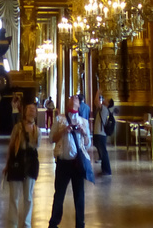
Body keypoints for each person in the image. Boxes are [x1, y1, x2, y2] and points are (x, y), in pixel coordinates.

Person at [48, 94, 91, 228]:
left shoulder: (83, 122)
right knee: (59, 194)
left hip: (77, 163)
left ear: (80, 104)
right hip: (63, 163)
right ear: (67, 103)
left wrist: (84, 132)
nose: (74, 100)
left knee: (79, 196)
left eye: (76, 99)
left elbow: (88, 144)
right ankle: (54, 223)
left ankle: (80, 224)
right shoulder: (59, 119)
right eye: (71, 98)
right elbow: (51, 138)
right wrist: (63, 131)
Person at [4, 103, 41, 228]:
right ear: (25, 112)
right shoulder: (17, 127)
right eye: (29, 109)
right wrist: (7, 164)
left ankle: (26, 224)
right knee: (14, 196)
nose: (31, 111)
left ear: (36, 114)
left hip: (30, 164)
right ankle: (13, 224)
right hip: (17, 162)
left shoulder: (37, 130)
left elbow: (37, 147)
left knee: (28, 197)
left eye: (33, 110)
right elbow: (11, 146)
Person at [92, 91, 111, 175]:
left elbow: (96, 101)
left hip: (101, 133)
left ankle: (107, 170)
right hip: (99, 133)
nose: (104, 100)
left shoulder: (104, 109)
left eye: (107, 100)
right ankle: (104, 169)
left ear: (108, 104)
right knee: (102, 152)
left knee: (103, 152)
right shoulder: (103, 109)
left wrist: (98, 92)